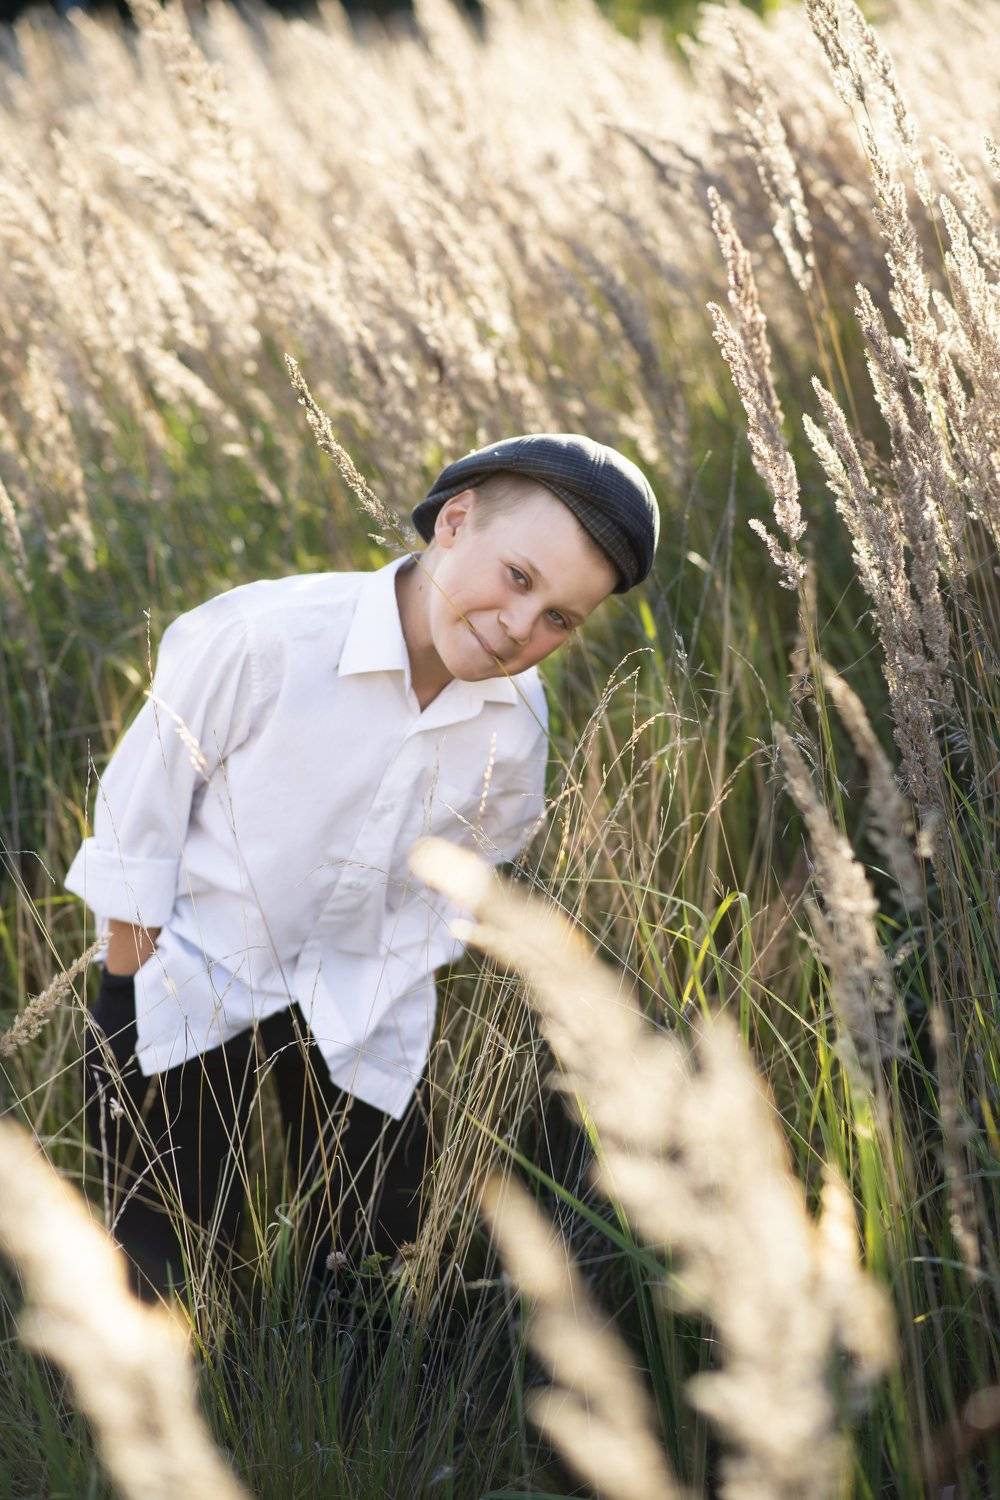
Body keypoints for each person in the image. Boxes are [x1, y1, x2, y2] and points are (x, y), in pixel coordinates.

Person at [64, 432, 660, 1309]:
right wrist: (130, 997)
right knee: (166, 1261)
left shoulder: (515, 722)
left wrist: (402, 966)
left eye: (559, 620)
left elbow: (480, 855)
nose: (519, 627)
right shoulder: (264, 640)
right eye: (518, 578)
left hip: (360, 996)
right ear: (454, 522)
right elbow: (137, 821)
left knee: (372, 1264)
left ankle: (334, 1371)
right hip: (193, 972)